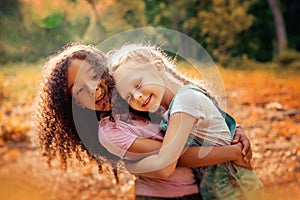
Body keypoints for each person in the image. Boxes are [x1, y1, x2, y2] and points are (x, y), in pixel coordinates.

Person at [34, 42, 253, 200]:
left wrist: (233, 130)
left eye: (93, 76)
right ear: (76, 103)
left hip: (198, 187)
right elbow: (177, 155)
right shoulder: (111, 131)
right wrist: (233, 152)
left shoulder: (136, 99)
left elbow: (192, 110)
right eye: (80, 89)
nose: (94, 89)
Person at [108, 43, 264, 200]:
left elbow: (168, 160)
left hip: (232, 185)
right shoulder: (170, 107)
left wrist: (131, 166)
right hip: (216, 185)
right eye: (128, 96)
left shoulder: (185, 102)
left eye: (138, 84)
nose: (137, 96)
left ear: (158, 67)